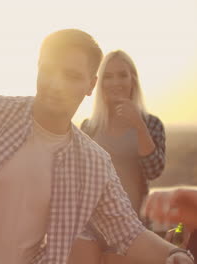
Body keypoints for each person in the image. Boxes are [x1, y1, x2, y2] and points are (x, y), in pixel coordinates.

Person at [0, 29, 193, 263]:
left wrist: (172, 255)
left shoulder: (93, 164)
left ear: (90, 85)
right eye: (48, 70)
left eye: (72, 76)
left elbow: (129, 233)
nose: (55, 83)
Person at [68, 50, 166, 264]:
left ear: (133, 80)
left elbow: (154, 170)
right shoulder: (90, 126)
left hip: (133, 226)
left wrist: (139, 126)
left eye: (122, 75)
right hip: (90, 224)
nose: (115, 82)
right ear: (100, 84)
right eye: (108, 77)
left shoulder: (152, 124)